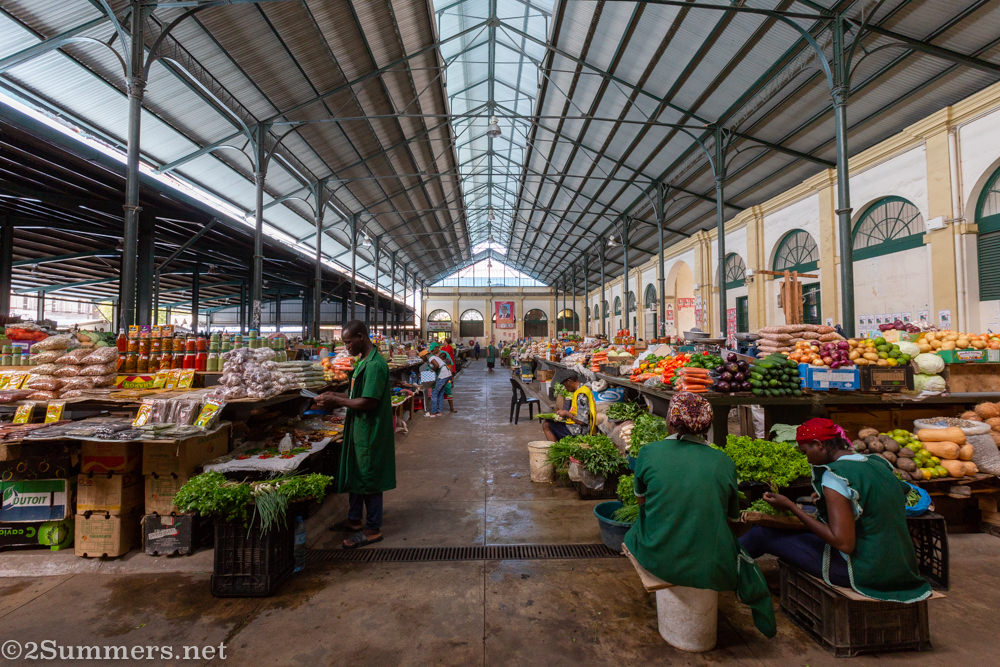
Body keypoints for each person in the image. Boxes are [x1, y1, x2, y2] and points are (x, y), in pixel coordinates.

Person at [624, 393, 776, 638]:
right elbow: (733, 521)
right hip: (712, 563)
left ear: (671, 421)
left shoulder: (649, 453)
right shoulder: (722, 461)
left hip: (658, 555)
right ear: (707, 425)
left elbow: (642, 501)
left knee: (635, 530)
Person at [740, 418, 932, 602]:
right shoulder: (878, 463)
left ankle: (724, 570)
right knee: (805, 514)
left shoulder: (835, 476)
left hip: (865, 571)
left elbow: (844, 544)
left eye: (805, 452)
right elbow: (895, 496)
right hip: (900, 566)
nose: (806, 459)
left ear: (819, 444)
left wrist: (790, 506)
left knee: (762, 534)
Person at [313, 321, 395, 549]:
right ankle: (354, 520)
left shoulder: (376, 365)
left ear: (361, 337)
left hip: (370, 429)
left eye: (348, 342)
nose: (346, 347)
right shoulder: (362, 362)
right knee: (357, 473)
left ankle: (372, 529)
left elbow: (368, 401)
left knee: (369, 477)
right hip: (359, 427)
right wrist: (333, 393)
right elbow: (355, 391)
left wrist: (336, 400)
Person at [540, 372, 596, 442]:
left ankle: (555, 450)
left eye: (564, 385)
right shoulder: (581, 390)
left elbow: (582, 422)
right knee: (550, 422)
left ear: (569, 382)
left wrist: (567, 414)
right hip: (576, 427)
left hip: (579, 431)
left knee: (546, 425)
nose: (565, 388)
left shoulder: (581, 394)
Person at [422, 343, 451, 418]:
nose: (422, 360)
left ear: (425, 356)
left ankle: (433, 412)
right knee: (440, 393)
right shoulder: (433, 357)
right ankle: (439, 411)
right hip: (447, 374)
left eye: (422, 358)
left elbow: (437, 366)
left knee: (434, 393)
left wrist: (431, 371)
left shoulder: (430, 358)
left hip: (443, 375)